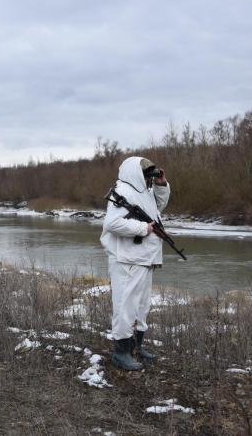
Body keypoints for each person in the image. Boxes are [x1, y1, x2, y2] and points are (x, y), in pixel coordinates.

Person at [100, 157, 170, 371]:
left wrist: (161, 185)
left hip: (143, 257)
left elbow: (158, 207)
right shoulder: (122, 192)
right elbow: (112, 224)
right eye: (146, 173)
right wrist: (143, 229)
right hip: (127, 258)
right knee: (125, 305)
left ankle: (136, 346)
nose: (149, 176)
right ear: (134, 172)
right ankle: (121, 352)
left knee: (141, 305)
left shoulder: (143, 191)